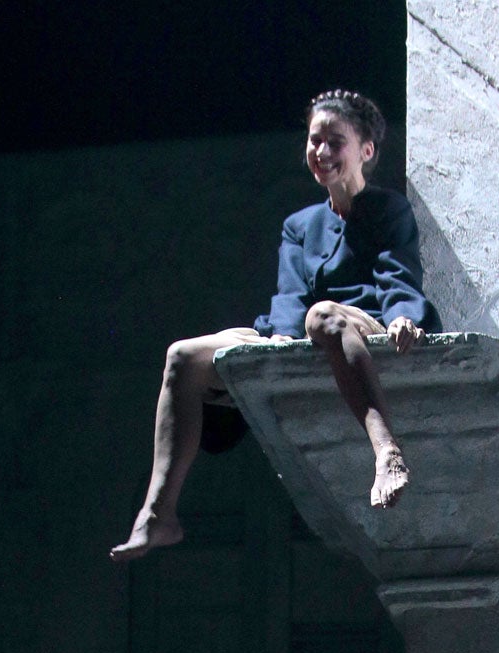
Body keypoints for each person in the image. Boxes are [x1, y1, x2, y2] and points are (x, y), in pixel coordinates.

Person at [110, 91, 437, 561]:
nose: (321, 153)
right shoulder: (300, 224)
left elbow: (398, 274)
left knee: (322, 315)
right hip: (298, 330)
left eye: (335, 142)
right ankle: (158, 514)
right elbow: (288, 294)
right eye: (315, 140)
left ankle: (387, 451)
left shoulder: (388, 209)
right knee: (182, 355)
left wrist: (405, 315)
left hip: (363, 320)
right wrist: (280, 340)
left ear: (365, 150)